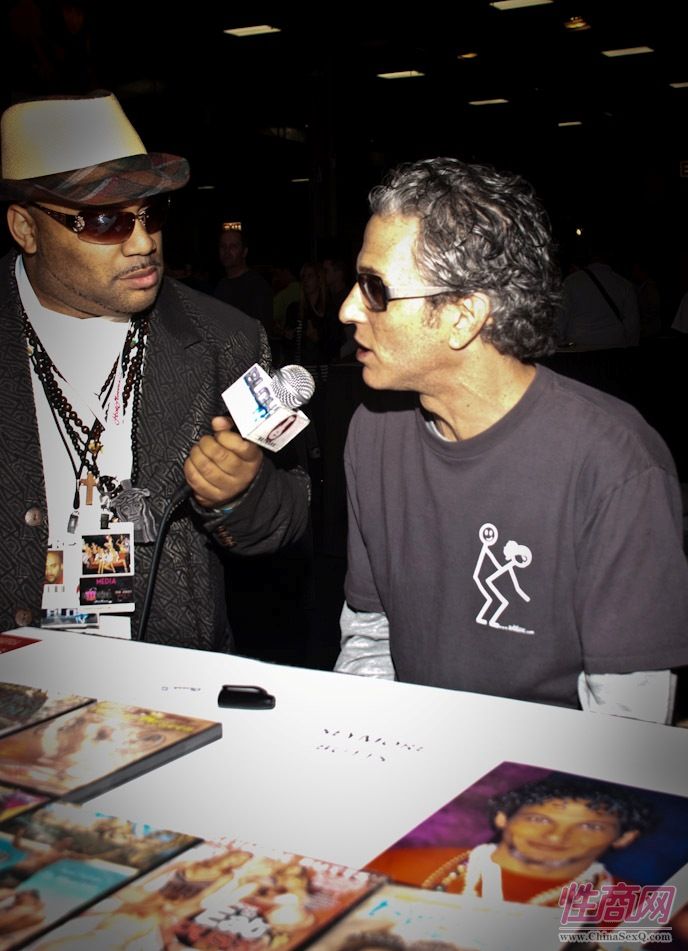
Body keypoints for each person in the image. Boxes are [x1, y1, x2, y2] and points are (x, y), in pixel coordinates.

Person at [335, 157, 688, 720]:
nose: (348, 308)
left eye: (375, 288)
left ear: (463, 315)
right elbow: (372, 637)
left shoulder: (614, 464)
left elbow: (627, 724)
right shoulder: (374, 430)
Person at [0, 91, 308, 647]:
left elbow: (291, 512)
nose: (143, 243)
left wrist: (242, 493)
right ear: (26, 228)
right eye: (104, 221)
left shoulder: (226, 341)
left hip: (165, 680)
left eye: (152, 214)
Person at [367, 775, 653, 907]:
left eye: (590, 826)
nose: (556, 836)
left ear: (624, 837)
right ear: (503, 818)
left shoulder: (645, 909)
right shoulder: (397, 864)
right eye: (538, 819)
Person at [213, 226, 273, 332]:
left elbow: (260, 331)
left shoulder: (257, 286)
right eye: (223, 246)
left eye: (233, 246)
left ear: (244, 252)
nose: (227, 251)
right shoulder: (221, 285)